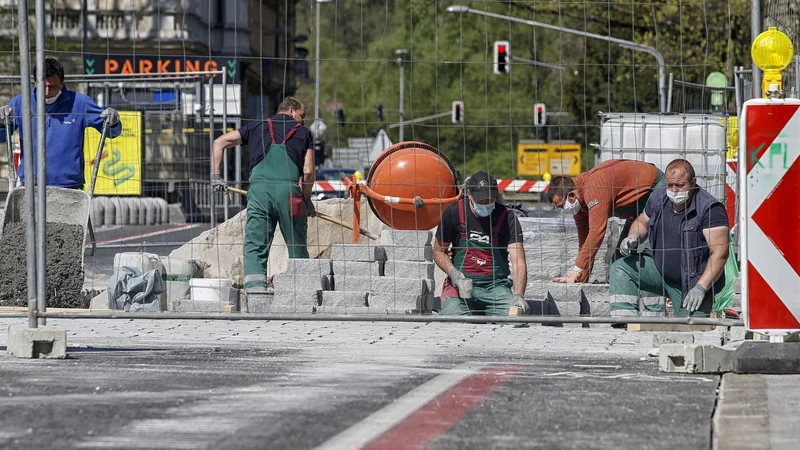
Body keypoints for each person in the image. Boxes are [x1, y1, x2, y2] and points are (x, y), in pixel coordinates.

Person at [211, 97, 315, 298]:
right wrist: (307, 198)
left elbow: (219, 142)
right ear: (292, 110)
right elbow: (308, 171)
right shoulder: (304, 133)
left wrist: (216, 177)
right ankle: (301, 293)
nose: (302, 122)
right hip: (291, 195)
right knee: (297, 245)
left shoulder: (256, 127)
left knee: (256, 245)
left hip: (259, 194)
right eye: (302, 116)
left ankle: (256, 296)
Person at [609, 159, 729, 317]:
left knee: (691, 328)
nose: (674, 190)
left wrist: (701, 287)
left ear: (693, 182)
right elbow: (643, 221)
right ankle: (623, 323)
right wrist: (633, 237)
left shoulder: (710, 208)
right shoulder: (658, 198)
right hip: (659, 273)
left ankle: (693, 312)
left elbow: (720, 253)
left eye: (680, 185)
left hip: (693, 284)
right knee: (621, 268)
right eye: (670, 185)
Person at [0, 57, 121, 188]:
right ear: (34, 82)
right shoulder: (20, 103)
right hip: (30, 186)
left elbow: (111, 132)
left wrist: (113, 121)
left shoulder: (80, 103)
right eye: (42, 86)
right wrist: (2, 123)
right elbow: (2, 137)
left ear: (62, 82)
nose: (47, 92)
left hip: (69, 186)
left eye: (52, 87)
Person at [547, 159, 665, 283]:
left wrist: (577, 270)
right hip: (636, 206)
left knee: (646, 255)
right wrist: (580, 279)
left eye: (561, 206)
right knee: (619, 263)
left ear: (571, 196)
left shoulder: (594, 187)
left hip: (654, 188)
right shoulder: (579, 205)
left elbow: (596, 234)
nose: (562, 210)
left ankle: (656, 301)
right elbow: (585, 243)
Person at [433, 171, 528, 316]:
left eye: (489, 200)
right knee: (454, 319)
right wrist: (454, 275)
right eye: (480, 201)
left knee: (515, 319)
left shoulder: (507, 217)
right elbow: (439, 252)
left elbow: (519, 262)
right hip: (460, 287)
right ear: (469, 194)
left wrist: (519, 295)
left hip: (496, 287)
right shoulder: (454, 212)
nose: (485, 204)